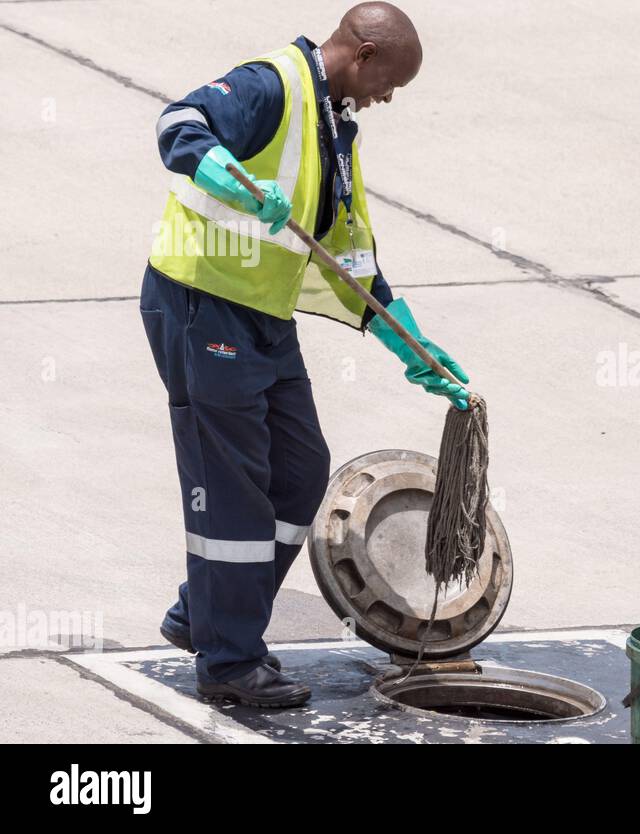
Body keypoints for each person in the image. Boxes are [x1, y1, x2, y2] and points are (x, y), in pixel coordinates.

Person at [143, 2, 467, 707]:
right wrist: (222, 172)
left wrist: (406, 337)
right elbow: (177, 124)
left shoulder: (334, 128)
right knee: (235, 487)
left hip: (263, 315)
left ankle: (204, 613)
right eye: (391, 83)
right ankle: (228, 663)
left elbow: (348, 254)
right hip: (202, 303)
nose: (386, 98)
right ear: (366, 51)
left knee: (298, 472)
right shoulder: (272, 86)